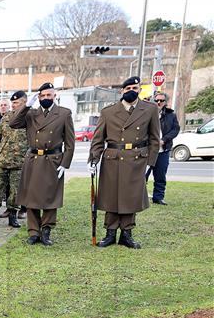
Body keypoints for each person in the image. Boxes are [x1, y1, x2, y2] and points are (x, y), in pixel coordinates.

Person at [89, 76, 160, 249]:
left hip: (137, 159)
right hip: (113, 158)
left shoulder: (149, 109)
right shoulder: (108, 111)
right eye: (128, 89)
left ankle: (126, 235)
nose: (131, 91)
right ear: (122, 91)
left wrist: (151, 162)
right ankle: (110, 233)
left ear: (139, 90)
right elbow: (98, 139)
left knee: (131, 197)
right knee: (111, 196)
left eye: (135, 88)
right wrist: (93, 159)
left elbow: (154, 138)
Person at [9, 82, 75, 246]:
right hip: (34, 159)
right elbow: (13, 123)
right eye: (43, 95)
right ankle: (33, 231)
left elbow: (70, 142)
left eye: (49, 95)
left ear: (54, 96)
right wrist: (26, 106)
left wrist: (65, 163)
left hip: (53, 160)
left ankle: (46, 230)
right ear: (38, 97)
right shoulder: (31, 114)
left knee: (50, 198)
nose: (46, 98)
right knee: (31, 198)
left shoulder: (64, 113)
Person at [0, 91, 28, 229]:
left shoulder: (30, 118)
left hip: (19, 162)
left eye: (16, 103)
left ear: (24, 103)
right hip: (2, 160)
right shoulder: (6, 118)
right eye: (12, 103)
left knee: (15, 191)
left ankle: (13, 216)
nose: (13, 106)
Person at [145, 92, 179, 206]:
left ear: (165, 102)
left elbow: (175, 130)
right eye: (157, 100)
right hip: (148, 150)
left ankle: (158, 198)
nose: (159, 102)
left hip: (163, 150)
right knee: (142, 175)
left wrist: (164, 139)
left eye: (161, 100)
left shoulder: (171, 115)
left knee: (160, 176)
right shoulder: (147, 113)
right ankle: (139, 196)